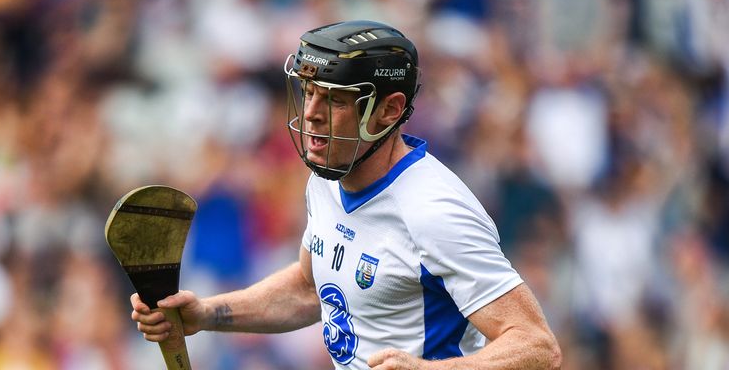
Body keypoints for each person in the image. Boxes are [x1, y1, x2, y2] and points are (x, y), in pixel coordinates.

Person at [131, 20, 562, 369]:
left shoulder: (435, 210)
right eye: (309, 91)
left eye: (334, 100)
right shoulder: (328, 175)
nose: (311, 114)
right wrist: (207, 314)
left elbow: (537, 345)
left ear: (389, 111)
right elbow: (309, 288)